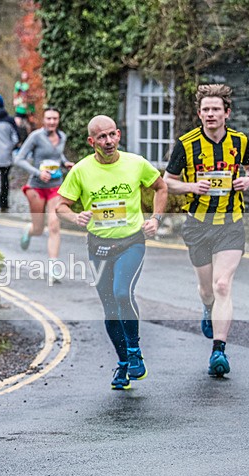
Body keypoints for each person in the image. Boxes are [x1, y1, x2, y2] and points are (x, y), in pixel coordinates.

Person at [56, 115, 168, 390]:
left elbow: (161, 187)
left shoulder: (136, 163)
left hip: (131, 241)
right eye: (101, 137)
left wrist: (155, 219)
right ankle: (123, 363)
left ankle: (134, 351)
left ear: (118, 134)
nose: (108, 142)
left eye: (111, 135)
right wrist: (76, 217)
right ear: (91, 141)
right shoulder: (81, 170)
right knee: (109, 309)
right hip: (98, 246)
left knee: (122, 293)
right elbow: (61, 205)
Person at [162, 84, 249, 378]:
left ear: (226, 113)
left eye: (216, 109)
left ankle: (219, 350)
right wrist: (191, 186)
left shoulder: (240, 141)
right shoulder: (186, 143)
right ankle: (207, 309)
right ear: (199, 113)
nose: (210, 114)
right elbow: (167, 181)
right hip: (198, 225)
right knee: (207, 290)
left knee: (222, 286)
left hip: (231, 223)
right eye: (205, 109)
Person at [14, 106, 75, 282]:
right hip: (36, 186)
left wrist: (65, 164)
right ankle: (29, 230)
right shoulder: (35, 137)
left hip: (56, 186)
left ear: (58, 120)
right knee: (39, 229)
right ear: (43, 120)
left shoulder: (62, 137)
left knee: (55, 225)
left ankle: (54, 269)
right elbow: (19, 159)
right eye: (48, 119)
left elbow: (57, 156)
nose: (52, 122)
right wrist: (37, 172)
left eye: (55, 119)